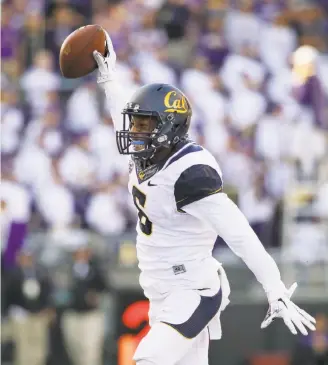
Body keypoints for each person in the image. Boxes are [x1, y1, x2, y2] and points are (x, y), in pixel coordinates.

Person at [92, 31, 316, 365]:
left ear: (168, 127)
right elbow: (118, 116)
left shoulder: (189, 172)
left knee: (148, 360)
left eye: (143, 124)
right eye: (135, 123)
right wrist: (109, 76)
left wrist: (274, 287)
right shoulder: (148, 153)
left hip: (191, 289)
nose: (133, 131)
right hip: (161, 289)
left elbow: (238, 232)